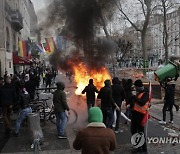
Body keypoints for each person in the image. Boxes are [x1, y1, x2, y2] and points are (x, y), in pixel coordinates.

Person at [131, 79, 149, 153]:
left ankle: (143, 149)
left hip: (141, 115)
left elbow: (142, 103)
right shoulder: (138, 92)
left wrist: (134, 96)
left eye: (135, 86)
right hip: (135, 114)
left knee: (141, 132)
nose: (134, 87)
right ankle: (138, 146)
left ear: (138, 86)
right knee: (134, 130)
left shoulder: (145, 93)